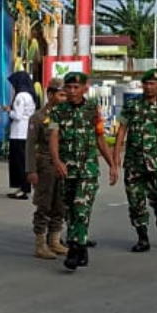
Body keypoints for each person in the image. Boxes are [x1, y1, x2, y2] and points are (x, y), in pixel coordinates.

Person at [48, 72, 117, 271]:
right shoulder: (57, 112)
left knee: (81, 208)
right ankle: (82, 247)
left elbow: (100, 139)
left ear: (85, 88)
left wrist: (111, 164)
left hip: (88, 169)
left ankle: (74, 250)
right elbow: (53, 137)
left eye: (76, 87)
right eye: (68, 88)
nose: (71, 91)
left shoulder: (92, 110)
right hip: (66, 169)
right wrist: (57, 160)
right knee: (70, 210)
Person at [113, 68, 157, 253]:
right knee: (136, 202)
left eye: (153, 84)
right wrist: (116, 156)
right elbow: (121, 130)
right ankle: (142, 238)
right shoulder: (132, 105)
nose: (149, 87)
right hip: (134, 163)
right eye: (146, 83)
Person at [26, 78, 68, 259]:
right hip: (44, 166)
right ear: (50, 94)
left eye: (65, 94)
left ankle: (55, 240)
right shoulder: (39, 117)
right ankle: (40, 244)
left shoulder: (68, 116)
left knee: (60, 204)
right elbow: (30, 145)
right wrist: (31, 170)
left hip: (63, 166)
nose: (64, 98)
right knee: (44, 204)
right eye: (61, 94)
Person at [5, 71, 37, 200]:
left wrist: (9, 111)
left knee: (19, 162)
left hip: (18, 132)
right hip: (27, 131)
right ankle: (23, 188)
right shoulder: (30, 95)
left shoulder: (20, 96)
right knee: (25, 162)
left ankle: (22, 189)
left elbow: (17, 116)